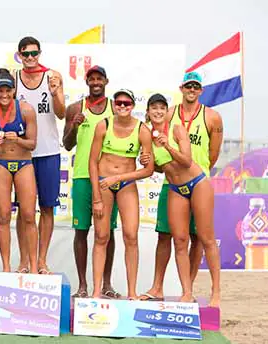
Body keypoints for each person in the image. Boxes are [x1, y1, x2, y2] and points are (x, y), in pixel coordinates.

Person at [139, 72, 224, 301]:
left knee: (205, 238)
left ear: (201, 90)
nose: (192, 89)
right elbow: (160, 167)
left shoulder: (180, 127)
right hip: (174, 186)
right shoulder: (153, 128)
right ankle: (184, 293)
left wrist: (168, 146)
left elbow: (193, 159)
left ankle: (215, 292)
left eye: (196, 86)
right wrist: (146, 164)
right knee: (177, 239)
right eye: (188, 86)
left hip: (197, 181)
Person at [89, 89, 154, 300]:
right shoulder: (103, 125)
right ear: (114, 104)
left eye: (127, 103)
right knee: (101, 236)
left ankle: (132, 292)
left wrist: (118, 178)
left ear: (133, 105)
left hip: (124, 184)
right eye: (119, 103)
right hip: (104, 184)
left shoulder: (142, 130)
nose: (123, 106)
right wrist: (97, 196)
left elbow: (149, 169)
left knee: (131, 236)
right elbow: (92, 162)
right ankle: (97, 291)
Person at [62, 66, 120, 298]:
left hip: (106, 177)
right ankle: (83, 286)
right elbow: (67, 144)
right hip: (82, 177)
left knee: (108, 232)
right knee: (81, 230)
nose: (96, 82)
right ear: (87, 81)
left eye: (99, 78)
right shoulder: (75, 108)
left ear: (106, 80)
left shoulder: (115, 109)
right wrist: (75, 126)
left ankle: (106, 284)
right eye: (92, 79)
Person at [14, 36, 66, 274]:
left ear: (40, 53)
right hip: (21, 153)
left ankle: (42, 260)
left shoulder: (52, 76)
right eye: (26, 54)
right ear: (19, 55)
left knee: (46, 208)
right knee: (24, 210)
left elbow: (62, 113)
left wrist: (55, 94)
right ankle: (25, 261)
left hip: (48, 151)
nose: (31, 58)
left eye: (34, 53)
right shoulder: (14, 79)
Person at [0, 69, 39, 273]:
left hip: (23, 163)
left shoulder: (26, 110)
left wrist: (18, 140)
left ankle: (32, 266)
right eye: (0, 91)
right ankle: (6, 267)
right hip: (0, 163)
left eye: (8, 90)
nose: (4, 95)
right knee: (4, 216)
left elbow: (32, 144)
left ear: (14, 90)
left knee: (29, 215)